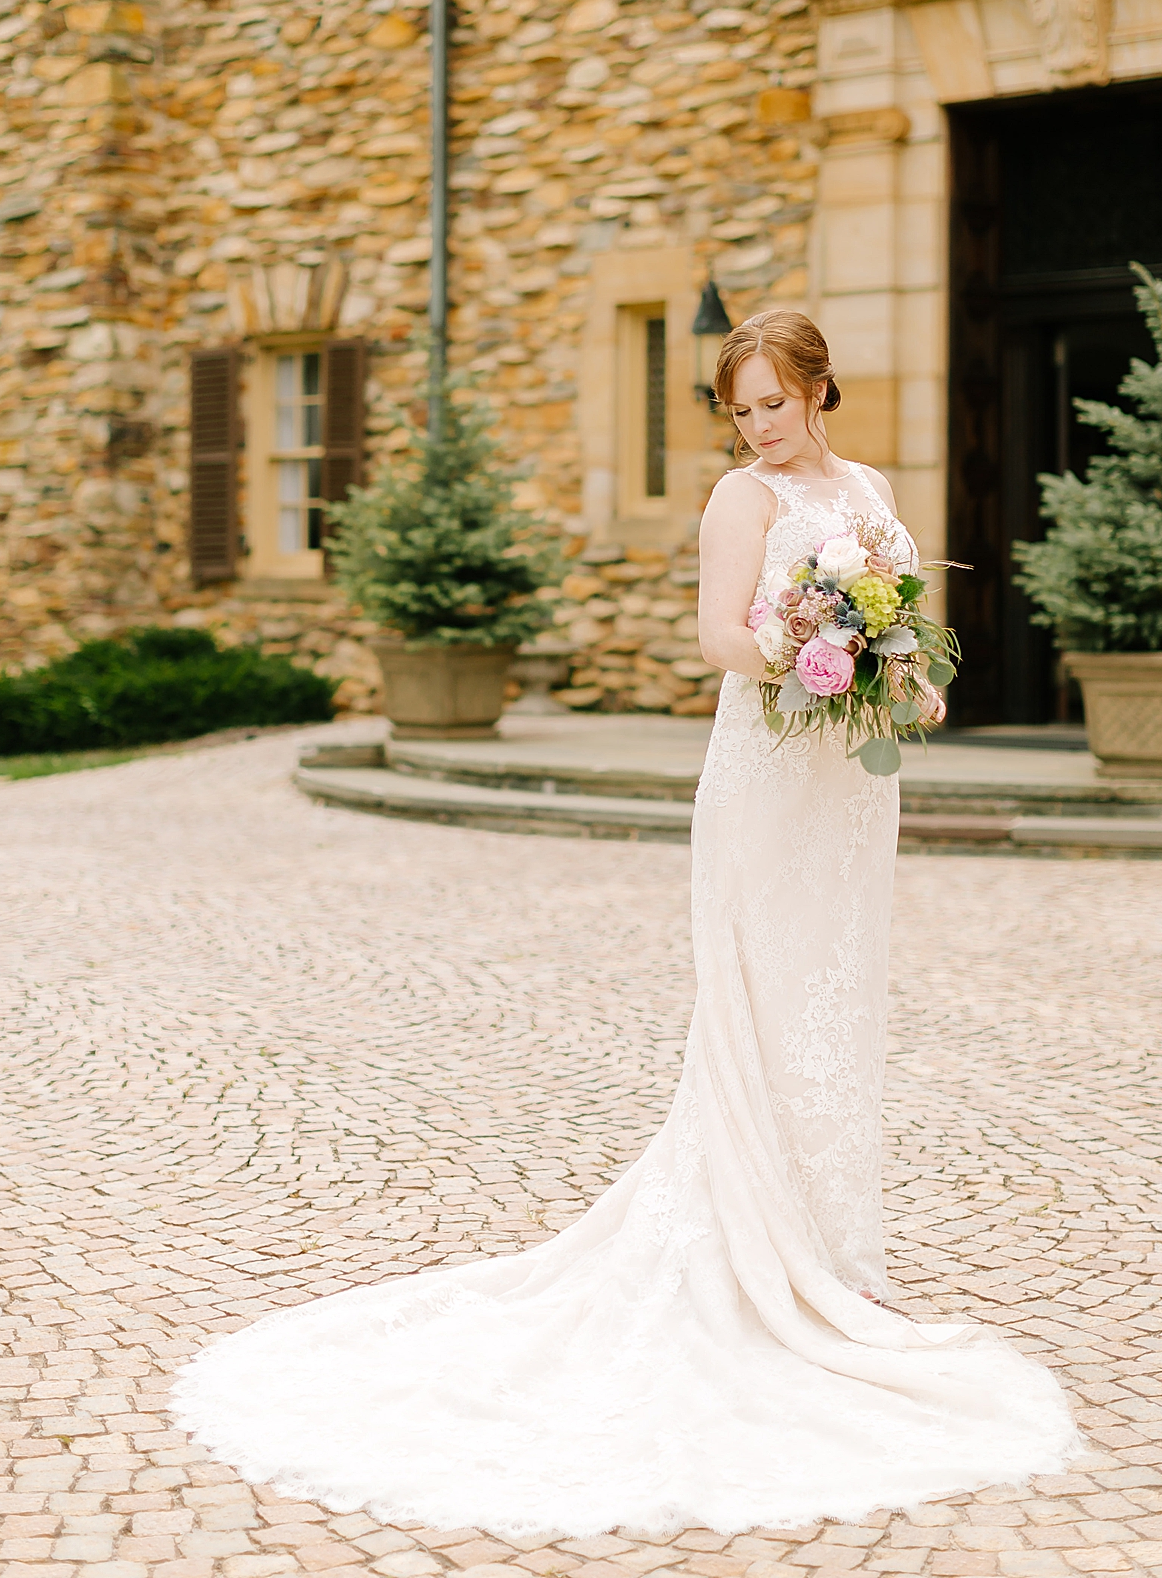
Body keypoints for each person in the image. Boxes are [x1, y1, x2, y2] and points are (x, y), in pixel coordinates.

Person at [172, 309, 1080, 1535]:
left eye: (774, 399)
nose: (759, 423)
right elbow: (719, 635)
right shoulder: (735, 499)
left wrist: (898, 667)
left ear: (819, 388)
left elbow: (904, 610)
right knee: (760, 998)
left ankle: (837, 1250)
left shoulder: (866, 483)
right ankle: (758, 1250)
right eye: (740, 406)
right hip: (765, 776)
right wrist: (827, 648)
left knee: (841, 994)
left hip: (853, 790)